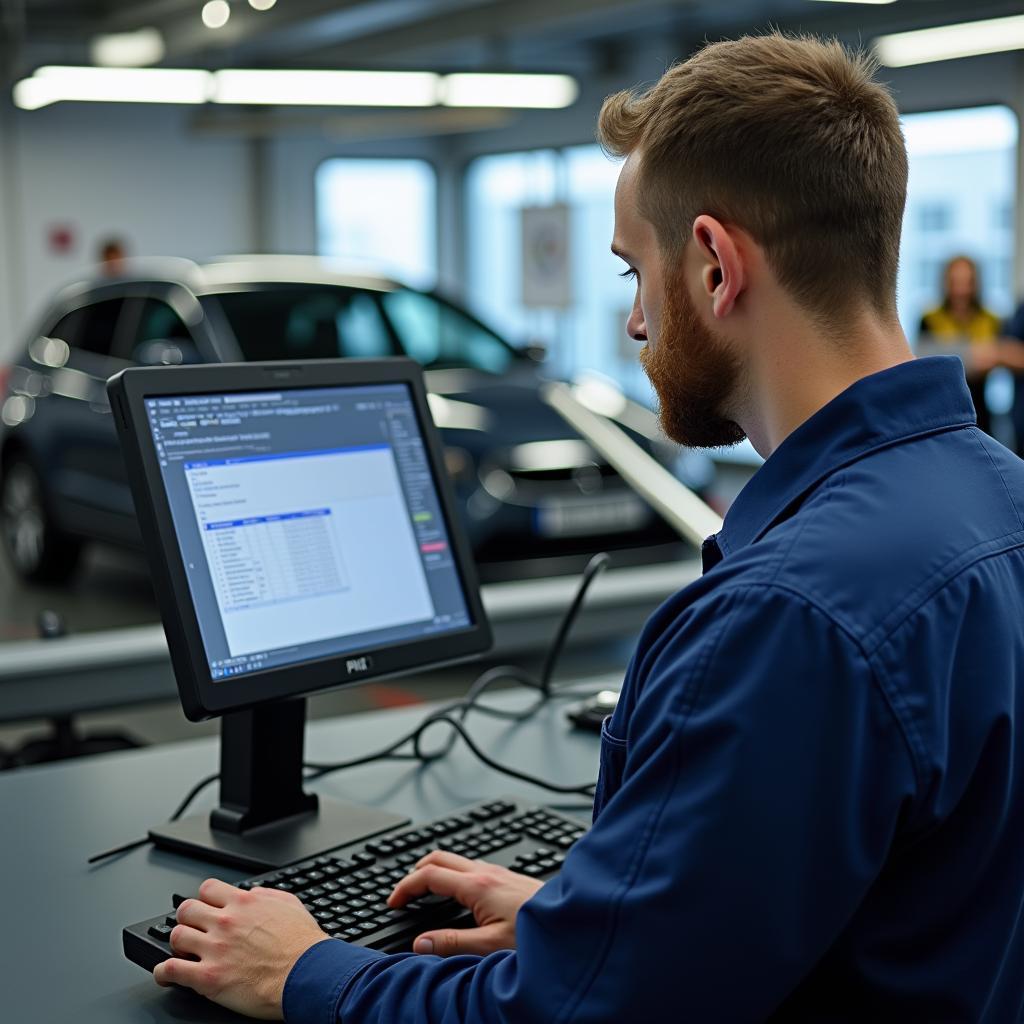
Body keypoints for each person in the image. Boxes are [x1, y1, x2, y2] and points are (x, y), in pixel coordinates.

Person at [152, 34, 1024, 1022]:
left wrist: (301, 969)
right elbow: (903, 899)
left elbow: (566, 1019)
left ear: (713, 266)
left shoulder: (791, 612)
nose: (635, 324)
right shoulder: (1000, 496)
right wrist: (600, 918)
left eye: (630, 274)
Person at [918, 255, 1002, 433]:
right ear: (946, 283)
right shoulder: (930, 319)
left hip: (980, 409)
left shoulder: (991, 319)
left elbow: (996, 358)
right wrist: (974, 356)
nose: (961, 289)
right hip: (941, 410)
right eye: (955, 282)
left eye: (967, 282)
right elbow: (924, 359)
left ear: (976, 283)